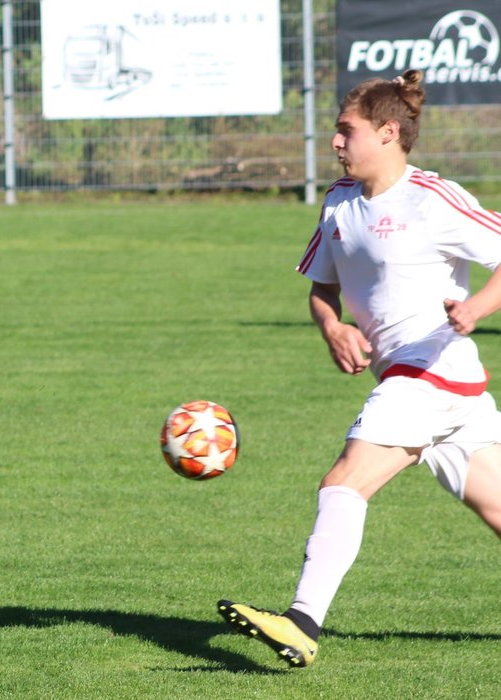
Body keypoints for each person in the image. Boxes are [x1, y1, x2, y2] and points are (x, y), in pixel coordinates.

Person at [218, 69, 501, 668]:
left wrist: (476, 305)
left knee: (344, 482)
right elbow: (322, 287)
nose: (336, 143)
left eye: (347, 132)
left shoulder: (432, 198)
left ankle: (300, 622)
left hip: (429, 372)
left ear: (389, 132)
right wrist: (333, 326)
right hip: (446, 388)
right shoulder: (338, 202)